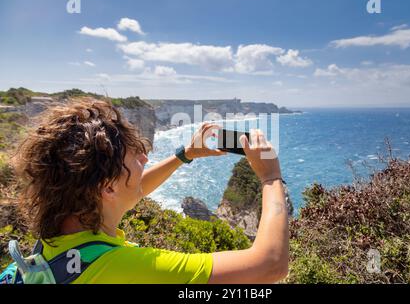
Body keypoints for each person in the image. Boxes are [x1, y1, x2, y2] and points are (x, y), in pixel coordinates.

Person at [11, 97, 289, 284]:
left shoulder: (54, 240)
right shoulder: (122, 267)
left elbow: (134, 189)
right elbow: (270, 265)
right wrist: (271, 178)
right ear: (107, 187)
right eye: (135, 157)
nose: (145, 158)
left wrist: (185, 154)